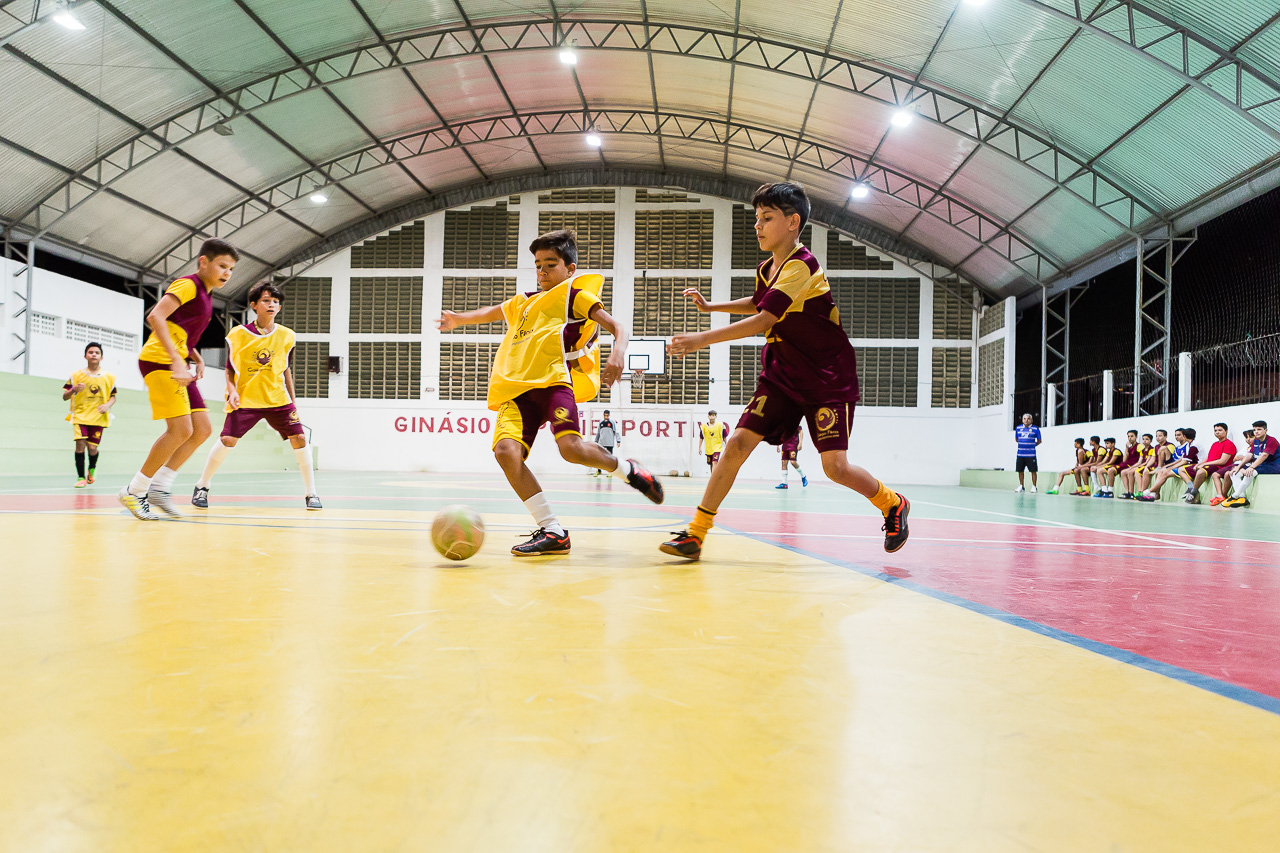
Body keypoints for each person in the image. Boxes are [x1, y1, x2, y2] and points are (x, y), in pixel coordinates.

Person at [660, 182, 908, 560]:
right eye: (756, 219)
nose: (757, 226)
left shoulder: (802, 265)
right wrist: (711, 308)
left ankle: (892, 503)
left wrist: (700, 339)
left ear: (793, 222)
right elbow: (759, 301)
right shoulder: (767, 268)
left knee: (835, 468)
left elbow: (765, 318)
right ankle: (695, 532)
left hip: (826, 376)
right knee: (737, 443)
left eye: (767, 218)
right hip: (781, 374)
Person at [438, 229, 663, 555]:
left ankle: (629, 470)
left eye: (550, 265)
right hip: (517, 390)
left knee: (570, 449)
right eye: (538, 265)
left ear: (570, 269)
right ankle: (553, 531)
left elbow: (619, 327)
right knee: (505, 453)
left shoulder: (575, 295)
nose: (542, 271)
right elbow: (491, 312)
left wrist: (617, 353)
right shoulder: (523, 302)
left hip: (556, 382)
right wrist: (459, 319)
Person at [117, 238, 238, 520]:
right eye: (222, 266)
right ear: (203, 262)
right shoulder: (188, 284)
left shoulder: (207, 295)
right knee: (180, 430)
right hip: (160, 361)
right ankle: (134, 491)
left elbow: (178, 327)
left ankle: (160, 488)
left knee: (202, 429)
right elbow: (156, 316)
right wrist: (176, 359)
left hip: (179, 361)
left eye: (231, 269)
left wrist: (194, 355)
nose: (227, 273)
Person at [191, 282, 321, 511]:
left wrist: (293, 401)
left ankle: (311, 493)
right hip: (246, 399)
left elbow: (286, 369)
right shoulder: (238, 334)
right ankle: (202, 485)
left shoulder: (287, 336)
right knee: (227, 441)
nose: (272, 305)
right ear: (254, 305)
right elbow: (229, 367)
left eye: (276, 302)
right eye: (266, 300)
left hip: (277, 399)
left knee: (300, 439)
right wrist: (231, 389)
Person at [62, 342, 116, 488]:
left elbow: (113, 396)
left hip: (98, 417)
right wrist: (73, 389)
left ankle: (92, 468)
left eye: (97, 352)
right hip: (80, 416)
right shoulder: (75, 375)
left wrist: (107, 405)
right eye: (91, 352)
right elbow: (64, 396)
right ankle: (80, 477)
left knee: (92, 448)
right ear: (85, 355)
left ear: (101, 357)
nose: (94, 354)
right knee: (80, 445)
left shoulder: (109, 377)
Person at [1223, 420, 1279, 508]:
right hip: (1261, 465)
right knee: (1234, 473)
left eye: (1259, 429)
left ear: (1266, 430)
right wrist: (1239, 466)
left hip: (1273, 465)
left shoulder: (1272, 440)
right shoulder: (1256, 441)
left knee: (1250, 473)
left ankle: (1234, 496)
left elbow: (1264, 456)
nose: (1256, 432)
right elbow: (1249, 455)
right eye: (1255, 430)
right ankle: (1242, 498)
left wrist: (1252, 467)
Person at [1137, 427, 1198, 502]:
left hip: (1184, 466)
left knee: (1164, 470)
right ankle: (1155, 494)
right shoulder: (1179, 447)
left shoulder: (1189, 446)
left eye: (1179, 435)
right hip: (1175, 464)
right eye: (1175, 435)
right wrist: (1166, 467)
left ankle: (1149, 491)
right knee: (1158, 472)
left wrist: (1168, 468)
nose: (1176, 437)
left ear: (1184, 436)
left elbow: (1183, 461)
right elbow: (1178, 460)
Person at [1185, 423, 1235, 505]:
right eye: (1215, 430)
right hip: (1210, 465)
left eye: (1220, 430)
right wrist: (1199, 464)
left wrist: (1204, 465)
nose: (1217, 432)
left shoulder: (1229, 444)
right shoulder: (1214, 444)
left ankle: (1193, 492)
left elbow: (1223, 461)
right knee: (1183, 469)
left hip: (1219, 467)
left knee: (1201, 471)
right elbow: (1208, 458)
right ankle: (1194, 493)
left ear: (1226, 431)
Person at [1212, 429, 1254, 506]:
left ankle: (1225, 496)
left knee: (1228, 474)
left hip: (1241, 466)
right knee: (1216, 474)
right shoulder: (1245, 448)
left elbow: (1250, 458)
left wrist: (1242, 458)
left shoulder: (1255, 448)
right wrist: (1241, 457)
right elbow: (1234, 458)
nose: (1248, 439)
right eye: (1246, 437)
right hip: (1234, 465)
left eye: (1251, 437)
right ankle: (1221, 495)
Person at [1134, 429, 1170, 496]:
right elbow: (1153, 459)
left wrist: (1160, 467)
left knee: (1158, 472)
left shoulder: (1170, 446)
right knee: (1144, 471)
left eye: (1160, 436)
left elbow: (1169, 458)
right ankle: (1141, 491)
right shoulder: (1156, 447)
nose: (1158, 438)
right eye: (1156, 436)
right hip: (1156, 465)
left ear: (1165, 437)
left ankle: (1156, 494)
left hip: (1166, 465)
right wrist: (1146, 467)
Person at [1013, 412, 1042, 492]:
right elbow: (1016, 439)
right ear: (1022, 420)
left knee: (1033, 471)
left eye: (1028, 419)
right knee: (1020, 470)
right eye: (1024, 419)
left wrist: (1032, 445)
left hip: (1031, 454)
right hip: (1020, 454)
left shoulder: (1036, 429)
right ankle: (1021, 486)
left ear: (1031, 420)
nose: (1026, 420)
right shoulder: (1018, 428)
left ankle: (1034, 486)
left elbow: (1039, 440)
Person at [776, 424, 808, 489]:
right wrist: (777, 445)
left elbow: (801, 432)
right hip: (785, 445)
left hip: (793, 444)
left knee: (793, 462)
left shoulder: (795, 421)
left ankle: (803, 476)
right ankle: (784, 483)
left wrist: (800, 443)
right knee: (784, 462)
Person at [591, 409, 618, 476]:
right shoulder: (601, 423)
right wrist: (596, 441)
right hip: (601, 443)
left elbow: (616, 432)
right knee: (599, 457)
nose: (606, 416)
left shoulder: (612, 422)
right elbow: (598, 433)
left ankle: (610, 472)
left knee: (610, 458)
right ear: (603, 415)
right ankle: (599, 471)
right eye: (605, 415)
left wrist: (618, 441)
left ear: (609, 415)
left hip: (609, 443)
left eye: (607, 415)